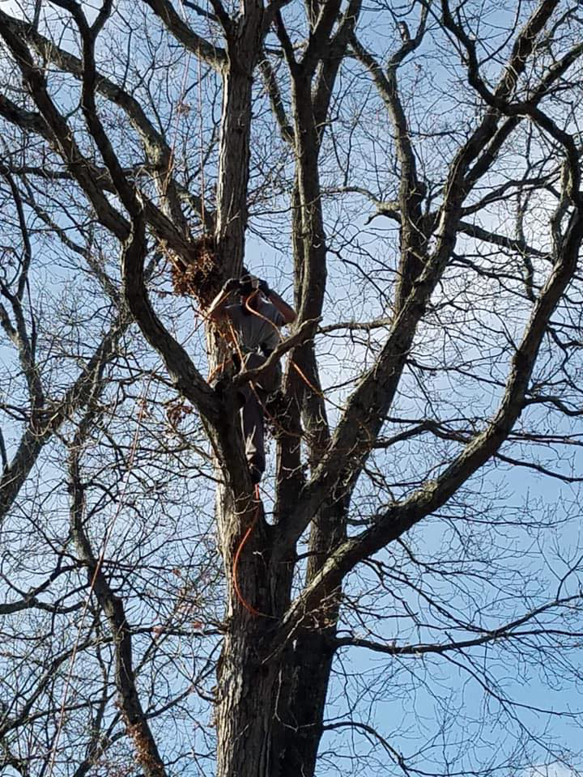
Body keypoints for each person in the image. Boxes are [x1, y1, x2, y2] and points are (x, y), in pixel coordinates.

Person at [207, 272, 296, 483]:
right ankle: (255, 464)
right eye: (242, 296)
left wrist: (269, 292)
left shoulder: (270, 311)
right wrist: (225, 291)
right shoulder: (236, 312)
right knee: (251, 414)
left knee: (252, 359)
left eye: (249, 295)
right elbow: (212, 315)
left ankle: (233, 397)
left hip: (268, 372)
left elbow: (291, 317)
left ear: (257, 294)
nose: (245, 300)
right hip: (246, 380)